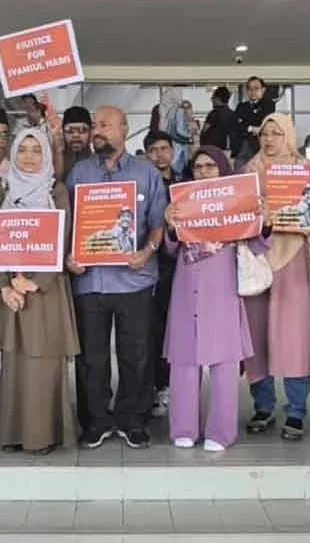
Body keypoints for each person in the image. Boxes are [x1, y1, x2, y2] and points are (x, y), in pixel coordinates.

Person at [66, 106, 168, 450]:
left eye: (105, 125)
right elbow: (67, 226)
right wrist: (68, 256)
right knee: (91, 357)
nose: (97, 130)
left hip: (134, 280)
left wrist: (148, 251)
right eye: (95, 125)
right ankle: (95, 421)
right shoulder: (79, 173)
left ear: (125, 129)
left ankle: (132, 419)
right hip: (89, 281)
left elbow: (158, 222)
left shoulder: (146, 173)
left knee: (136, 354)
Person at [163, 146, 266, 451]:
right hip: (186, 287)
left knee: (224, 361)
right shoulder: (182, 202)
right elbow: (170, 249)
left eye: (211, 166)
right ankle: (183, 427)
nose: (205, 172)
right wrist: (170, 225)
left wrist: (264, 218)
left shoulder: (238, 201)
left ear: (223, 170)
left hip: (222, 288)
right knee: (183, 360)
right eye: (198, 167)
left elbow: (260, 243)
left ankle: (221, 432)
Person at [0, 130, 80, 455]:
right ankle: (13, 433)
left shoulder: (56, 191)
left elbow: (64, 238)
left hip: (46, 290)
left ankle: (43, 435)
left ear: (46, 156)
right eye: (23, 150)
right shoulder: (2, 190)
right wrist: (5, 285)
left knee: (44, 362)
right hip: (11, 290)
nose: (28, 157)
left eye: (36, 150)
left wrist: (35, 281)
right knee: (13, 365)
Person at [242, 113, 310, 440]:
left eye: (277, 133)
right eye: (265, 134)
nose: (270, 140)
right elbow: (236, 216)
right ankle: (263, 406)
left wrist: (309, 223)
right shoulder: (247, 173)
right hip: (256, 259)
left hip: (293, 259)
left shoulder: (306, 172)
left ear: (289, 136)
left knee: (294, 337)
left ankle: (296, 411)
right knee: (257, 336)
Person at [143, 131, 186, 416]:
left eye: (164, 148)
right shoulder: (140, 182)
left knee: (173, 329)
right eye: (153, 150)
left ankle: (170, 386)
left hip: (177, 267)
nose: (160, 154)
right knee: (149, 332)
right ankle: (150, 387)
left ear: (172, 151)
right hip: (145, 265)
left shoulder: (185, 186)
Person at [232, 76, 276, 169]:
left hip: (260, 145)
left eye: (256, 88)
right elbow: (235, 124)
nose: (253, 92)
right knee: (240, 171)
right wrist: (251, 128)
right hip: (242, 146)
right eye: (250, 89)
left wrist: (246, 123)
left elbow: (264, 121)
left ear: (263, 90)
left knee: (260, 171)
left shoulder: (268, 104)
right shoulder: (242, 106)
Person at [158, 87, 193, 175]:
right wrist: (189, 136)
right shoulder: (179, 111)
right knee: (179, 167)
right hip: (180, 144)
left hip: (173, 143)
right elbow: (180, 130)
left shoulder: (168, 111)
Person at [56, 105, 93, 181]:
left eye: (82, 130)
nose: (75, 135)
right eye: (69, 130)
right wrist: (58, 155)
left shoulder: (102, 162)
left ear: (91, 133)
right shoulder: (50, 162)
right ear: (62, 133)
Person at [200, 86, 236, 152]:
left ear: (217, 99)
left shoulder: (214, 113)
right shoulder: (232, 114)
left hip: (211, 149)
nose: (211, 100)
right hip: (226, 149)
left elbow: (204, 130)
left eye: (213, 98)